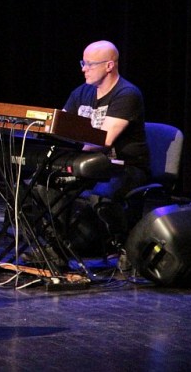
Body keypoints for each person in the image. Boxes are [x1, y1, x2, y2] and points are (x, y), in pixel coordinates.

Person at [63, 40, 149, 249]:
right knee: (39, 188)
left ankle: (125, 247)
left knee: (101, 196)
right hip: (91, 166)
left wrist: (72, 146)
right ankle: (57, 247)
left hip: (125, 168)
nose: (84, 69)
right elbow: (60, 127)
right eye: (83, 63)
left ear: (109, 66)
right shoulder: (81, 92)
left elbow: (103, 140)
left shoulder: (127, 94)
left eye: (89, 64)